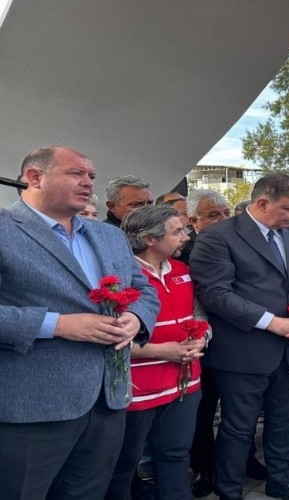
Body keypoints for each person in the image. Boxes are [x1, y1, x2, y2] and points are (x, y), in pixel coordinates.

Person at [0, 145, 159, 499]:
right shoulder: (4, 230)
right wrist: (57, 325)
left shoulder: (109, 235)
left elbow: (143, 290)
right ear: (34, 177)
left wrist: (135, 318)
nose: (88, 182)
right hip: (33, 407)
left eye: (91, 176)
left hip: (107, 400)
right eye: (75, 173)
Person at [190, 173, 289, 500]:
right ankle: (229, 490)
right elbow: (216, 294)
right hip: (243, 353)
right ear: (262, 203)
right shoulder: (218, 238)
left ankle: (282, 482)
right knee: (238, 429)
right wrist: (272, 323)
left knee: (286, 420)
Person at [106, 206, 207, 500]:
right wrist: (161, 350)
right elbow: (111, 337)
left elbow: (198, 314)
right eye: (177, 231)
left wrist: (201, 339)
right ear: (150, 239)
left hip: (185, 384)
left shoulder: (182, 270)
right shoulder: (119, 278)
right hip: (138, 390)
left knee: (176, 457)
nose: (186, 237)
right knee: (123, 465)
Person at [182, 189, 259, 497]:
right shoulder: (182, 250)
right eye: (213, 214)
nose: (223, 219)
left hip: (236, 341)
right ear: (193, 220)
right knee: (202, 412)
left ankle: (247, 460)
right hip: (197, 346)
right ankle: (205, 468)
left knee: (240, 409)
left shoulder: (241, 245)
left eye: (226, 213)